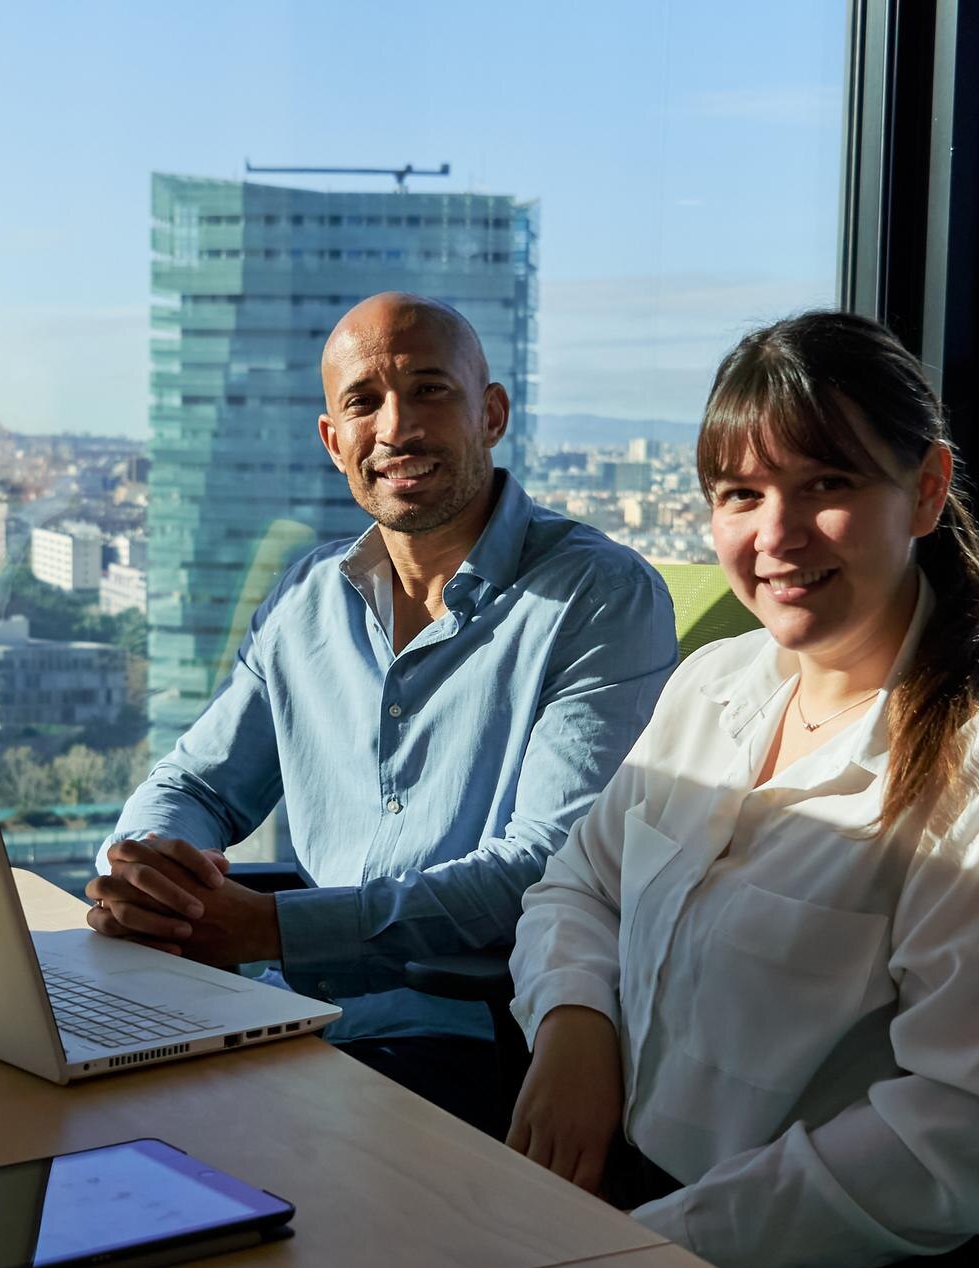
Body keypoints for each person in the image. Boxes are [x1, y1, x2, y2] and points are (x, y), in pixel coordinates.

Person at [504, 311, 979, 1268]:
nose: (775, 535)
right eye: (740, 496)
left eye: (826, 485)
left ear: (926, 491)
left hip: (932, 1266)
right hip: (686, 1210)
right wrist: (574, 1021)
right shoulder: (710, 687)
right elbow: (578, 883)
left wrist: (658, 1245)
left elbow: (967, 1134)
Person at [86, 292, 678, 1137]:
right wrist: (147, 871)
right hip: (289, 1017)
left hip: (471, 1044)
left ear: (493, 413)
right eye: (363, 401)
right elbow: (196, 785)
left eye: (431, 389)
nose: (397, 426)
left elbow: (549, 866)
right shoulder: (307, 598)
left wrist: (276, 929)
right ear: (334, 442)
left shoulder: (597, 596)